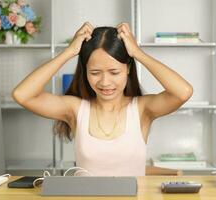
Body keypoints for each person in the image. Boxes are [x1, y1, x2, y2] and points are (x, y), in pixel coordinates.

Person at [12, 22, 193, 176]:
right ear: (85, 71)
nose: (105, 82)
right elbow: (22, 95)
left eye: (114, 72)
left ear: (128, 68)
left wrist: (138, 53)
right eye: (95, 73)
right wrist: (69, 52)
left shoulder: (142, 109)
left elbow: (183, 92)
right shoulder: (75, 109)